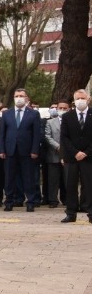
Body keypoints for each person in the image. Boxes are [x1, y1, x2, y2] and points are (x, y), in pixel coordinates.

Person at [0, 88, 42, 211]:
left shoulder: (33, 114)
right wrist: (1, 149)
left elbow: (36, 134)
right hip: (10, 150)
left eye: (21, 96)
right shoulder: (7, 113)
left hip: (27, 151)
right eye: (16, 96)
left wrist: (35, 150)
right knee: (9, 178)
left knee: (28, 177)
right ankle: (9, 201)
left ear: (26, 98)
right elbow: (2, 134)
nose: (19, 98)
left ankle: (31, 202)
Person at [60, 89, 92, 223]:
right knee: (71, 185)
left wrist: (85, 152)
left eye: (83, 98)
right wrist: (75, 152)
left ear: (88, 99)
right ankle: (71, 213)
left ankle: (90, 212)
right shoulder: (68, 116)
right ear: (74, 100)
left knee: (89, 185)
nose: (80, 101)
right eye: (78, 98)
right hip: (71, 157)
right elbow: (64, 137)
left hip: (89, 157)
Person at [44, 102, 67, 209]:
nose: (62, 110)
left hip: (69, 155)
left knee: (67, 179)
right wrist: (58, 146)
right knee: (53, 179)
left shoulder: (71, 121)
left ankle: (67, 199)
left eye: (64, 108)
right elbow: (47, 136)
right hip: (54, 154)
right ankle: (53, 200)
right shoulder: (50, 122)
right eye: (60, 108)